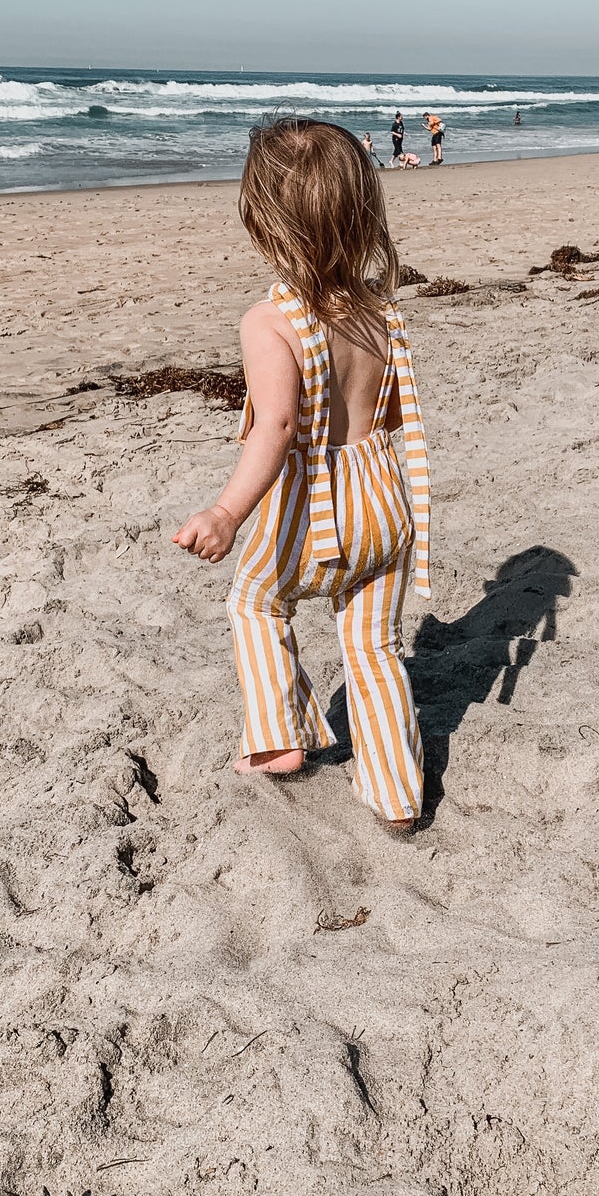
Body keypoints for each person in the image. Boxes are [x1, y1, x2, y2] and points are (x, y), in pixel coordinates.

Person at [173, 119, 430, 833]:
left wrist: (227, 511)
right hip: (384, 498)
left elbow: (277, 427)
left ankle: (280, 735)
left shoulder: (271, 320)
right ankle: (396, 794)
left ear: (262, 221)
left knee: (256, 600)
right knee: (374, 647)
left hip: (316, 504)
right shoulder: (382, 313)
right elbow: (393, 413)